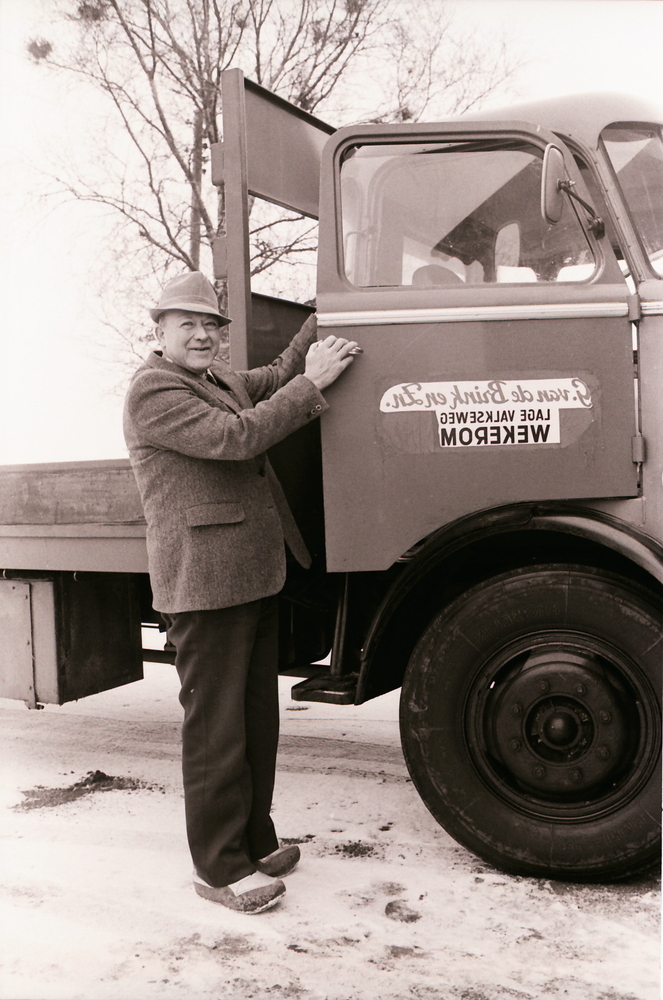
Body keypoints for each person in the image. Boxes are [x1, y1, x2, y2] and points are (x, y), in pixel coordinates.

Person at [123, 271, 358, 914]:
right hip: (204, 585)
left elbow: (276, 374)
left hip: (252, 575)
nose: (202, 335)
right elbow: (238, 438)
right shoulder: (153, 389)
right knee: (216, 732)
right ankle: (220, 867)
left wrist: (329, 306)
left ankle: (254, 840)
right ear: (161, 330)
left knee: (255, 722)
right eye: (188, 324)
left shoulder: (218, 379)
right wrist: (314, 385)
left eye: (211, 325)